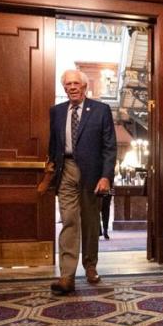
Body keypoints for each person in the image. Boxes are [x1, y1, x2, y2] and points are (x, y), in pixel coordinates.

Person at [41, 69, 116, 294]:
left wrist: (106, 176)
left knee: (91, 222)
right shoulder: (57, 112)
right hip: (66, 169)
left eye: (75, 83)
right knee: (69, 221)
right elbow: (53, 145)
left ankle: (90, 266)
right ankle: (67, 276)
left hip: (92, 174)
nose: (72, 87)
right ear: (64, 88)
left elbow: (109, 147)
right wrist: (50, 172)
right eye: (67, 84)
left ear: (84, 86)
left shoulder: (101, 110)